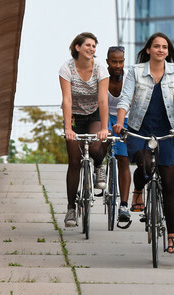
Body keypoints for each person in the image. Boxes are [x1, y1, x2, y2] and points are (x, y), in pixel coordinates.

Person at [113, 32, 174, 254]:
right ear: (148, 49)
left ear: (168, 51)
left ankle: (171, 237)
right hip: (140, 129)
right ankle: (138, 188)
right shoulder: (136, 71)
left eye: (164, 47)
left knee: (168, 182)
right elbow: (125, 97)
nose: (161, 50)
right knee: (145, 167)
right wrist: (120, 122)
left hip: (167, 130)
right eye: (156, 46)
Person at [60, 32, 109, 228]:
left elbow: (103, 100)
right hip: (74, 115)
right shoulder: (67, 68)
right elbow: (67, 100)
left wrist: (105, 127)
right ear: (78, 47)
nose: (91, 48)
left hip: (94, 114)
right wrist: (67, 128)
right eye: (87, 45)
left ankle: (99, 166)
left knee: (97, 146)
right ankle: (71, 208)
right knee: (74, 162)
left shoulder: (100, 69)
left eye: (94, 46)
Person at [105, 46, 133, 228]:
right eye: (114, 61)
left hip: (125, 118)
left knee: (123, 160)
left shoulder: (130, 78)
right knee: (99, 144)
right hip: (105, 116)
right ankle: (99, 169)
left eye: (121, 61)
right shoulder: (102, 76)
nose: (118, 65)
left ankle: (123, 205)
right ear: (107, 61)